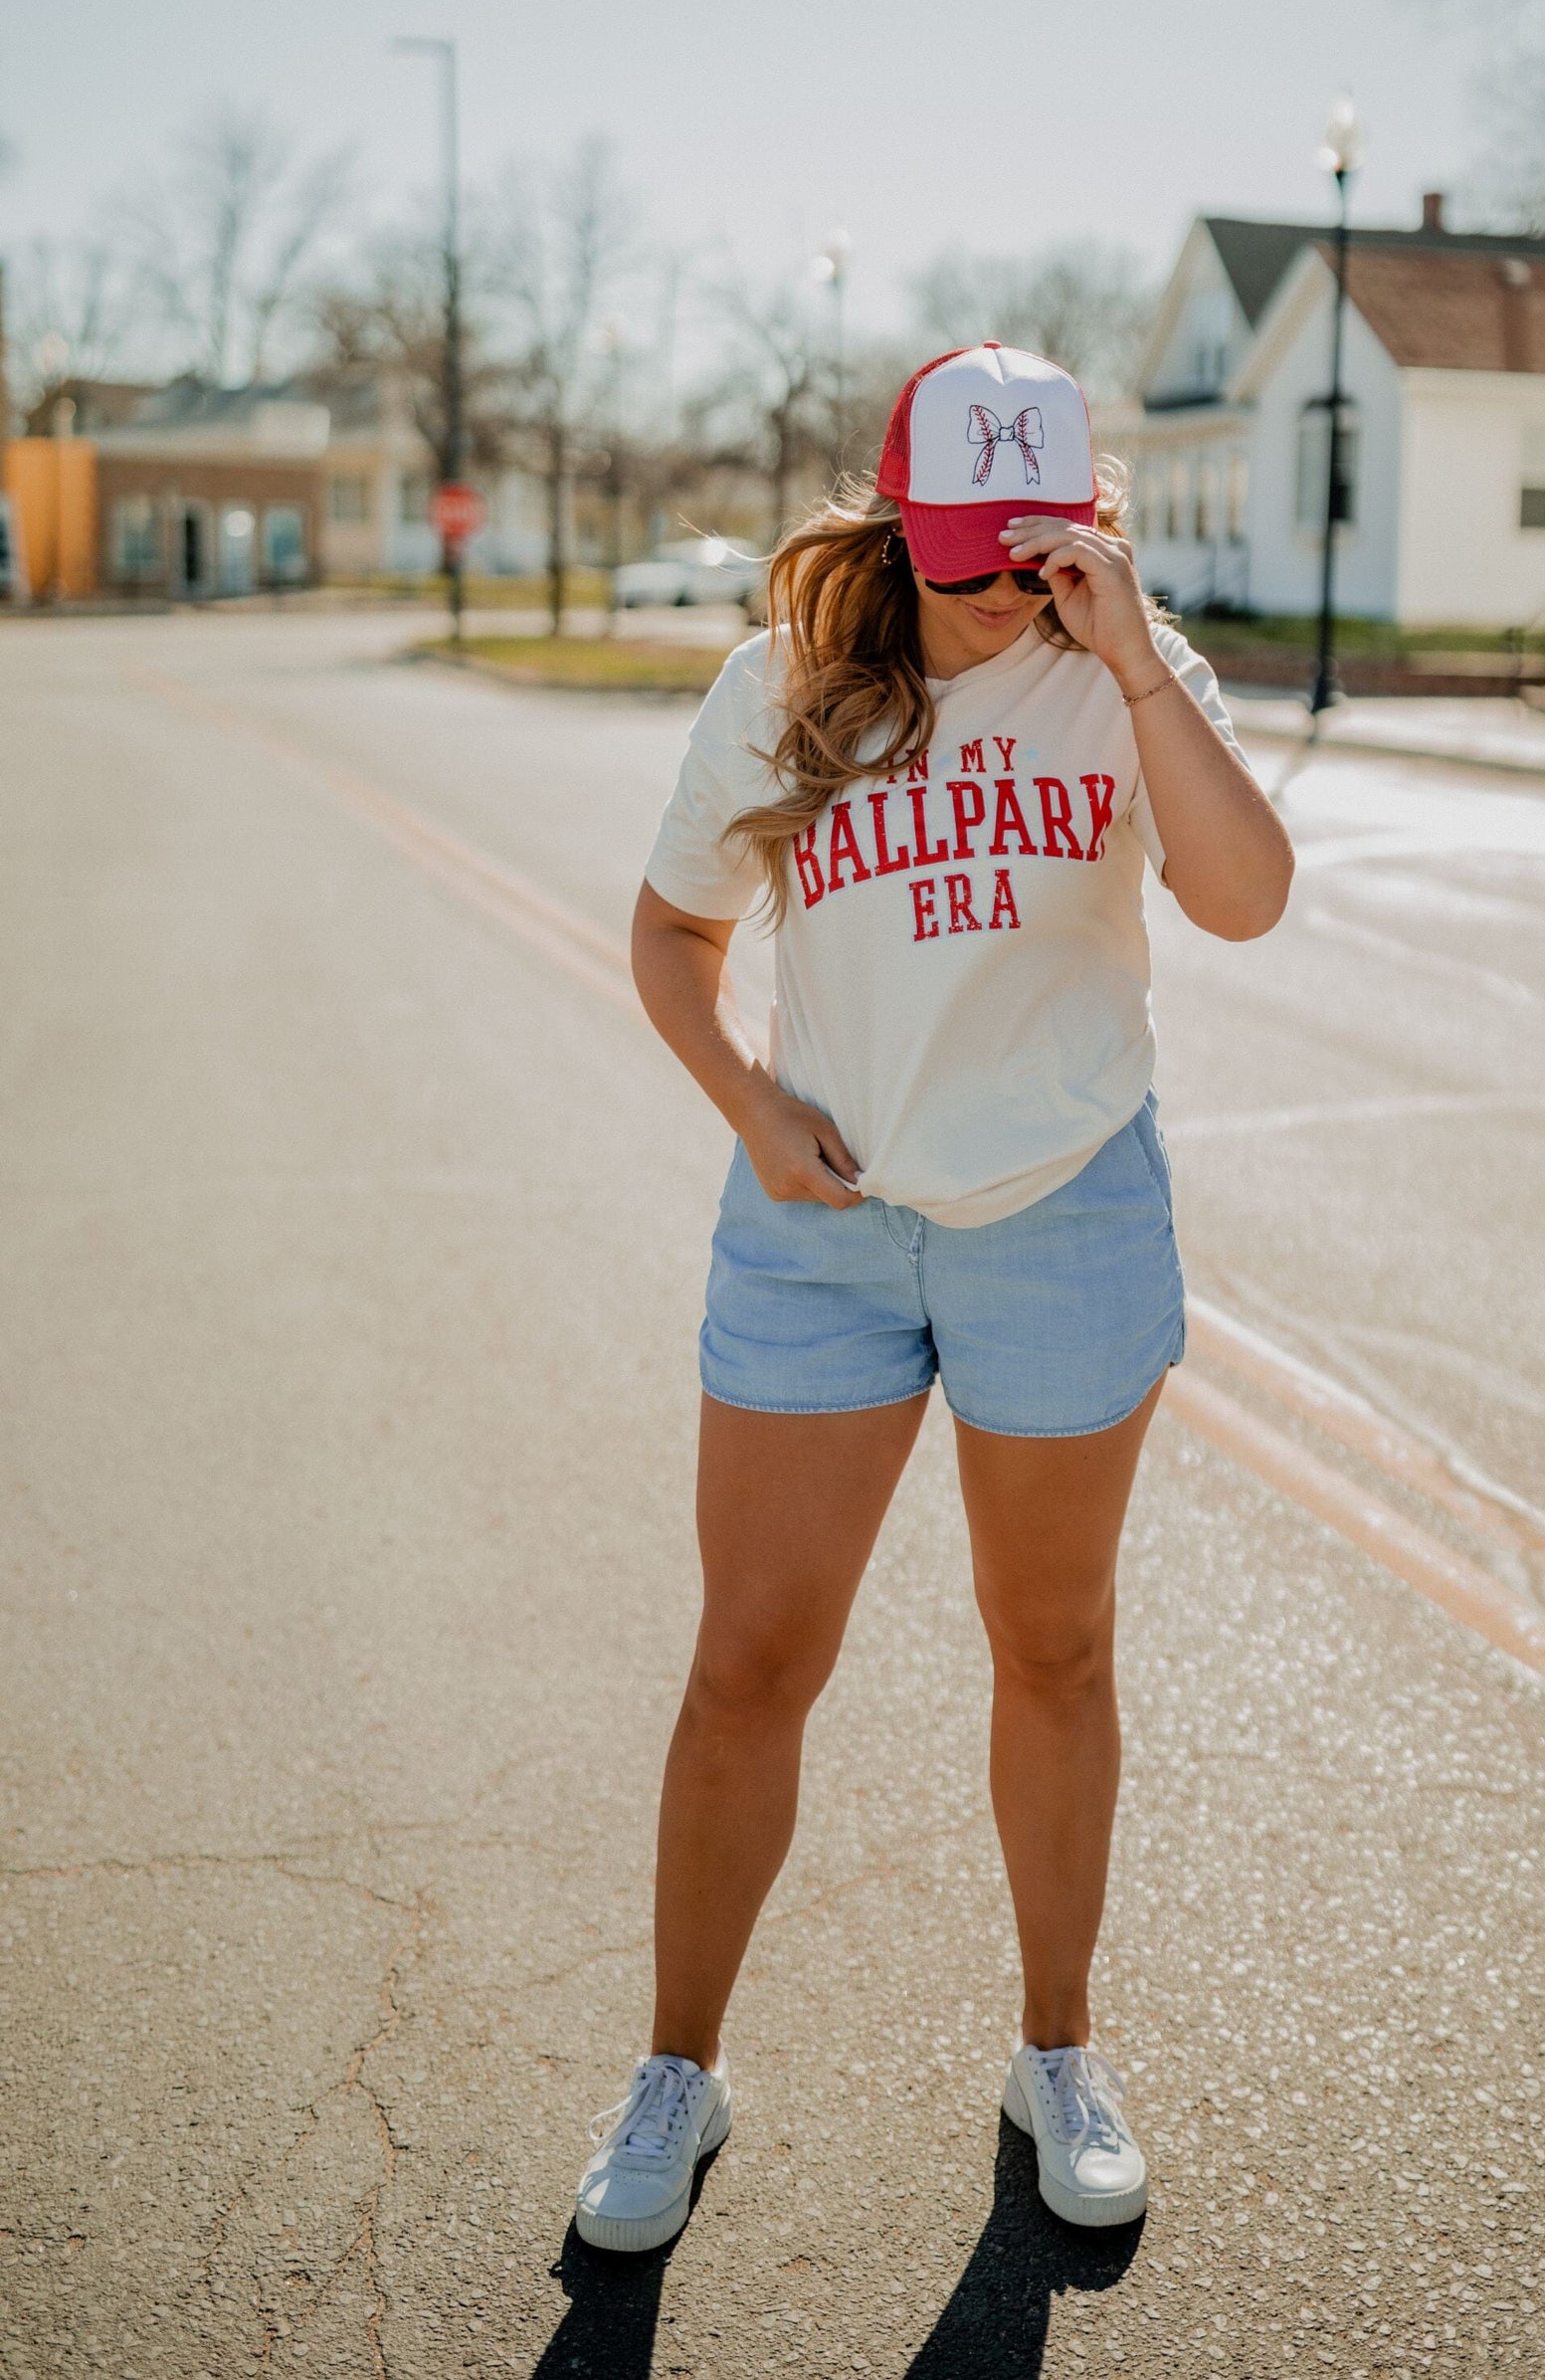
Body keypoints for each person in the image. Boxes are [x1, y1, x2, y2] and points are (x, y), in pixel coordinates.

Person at [575, 342, 1293, 2253]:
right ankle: (677, 2071)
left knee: (1051, 1651)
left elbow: (1243, 899)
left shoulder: (1122, 676)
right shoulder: (785, 686)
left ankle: (1054, 2049)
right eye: (961, 547)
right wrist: (747, 1104)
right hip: (823, 1229)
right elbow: (670, 931)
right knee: (750, 1662)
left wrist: (1134, 656)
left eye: (1030, 547)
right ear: (897, 519)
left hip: (1060, 1217)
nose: (994, 583)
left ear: (1085, 529)